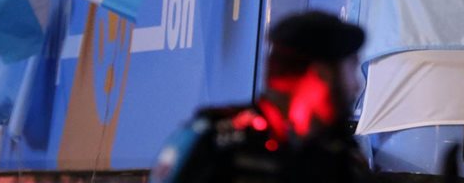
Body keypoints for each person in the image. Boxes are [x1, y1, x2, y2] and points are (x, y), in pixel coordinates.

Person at [150, 11, 372, 183]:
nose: (356, 86)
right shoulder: (214, 141)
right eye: (350, 69)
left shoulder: (342, 157)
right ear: (321, 74)